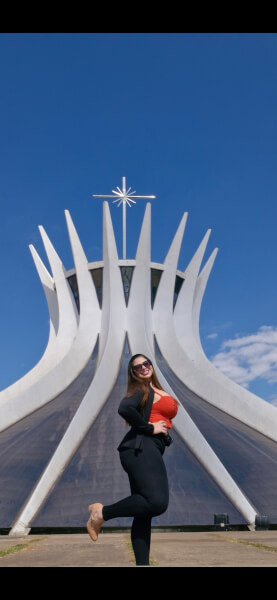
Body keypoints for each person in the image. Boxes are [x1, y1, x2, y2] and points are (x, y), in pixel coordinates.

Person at [86, 353, 178, 566]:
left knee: (144, 512)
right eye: (138, 367)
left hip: (147, 449)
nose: (144, 368)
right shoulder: (142, 388)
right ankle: (101, 513)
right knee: (157, 503)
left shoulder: (155, 389)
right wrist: (149, 428)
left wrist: (161, 432)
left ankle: (142, 564)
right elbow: (124, 408)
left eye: (146, 363)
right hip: (140, 448)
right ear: (134, 373)